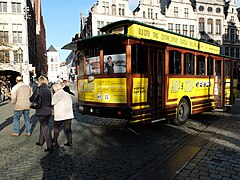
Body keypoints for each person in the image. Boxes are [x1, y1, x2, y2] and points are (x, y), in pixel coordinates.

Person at [35, 75, 53, 152]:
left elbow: (32, 98)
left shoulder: (38, 89)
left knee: (44, 127)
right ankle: (40, 141)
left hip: (41, 111)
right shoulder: (49, 90)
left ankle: (50, 145)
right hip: (48, 111)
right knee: (43, 126)